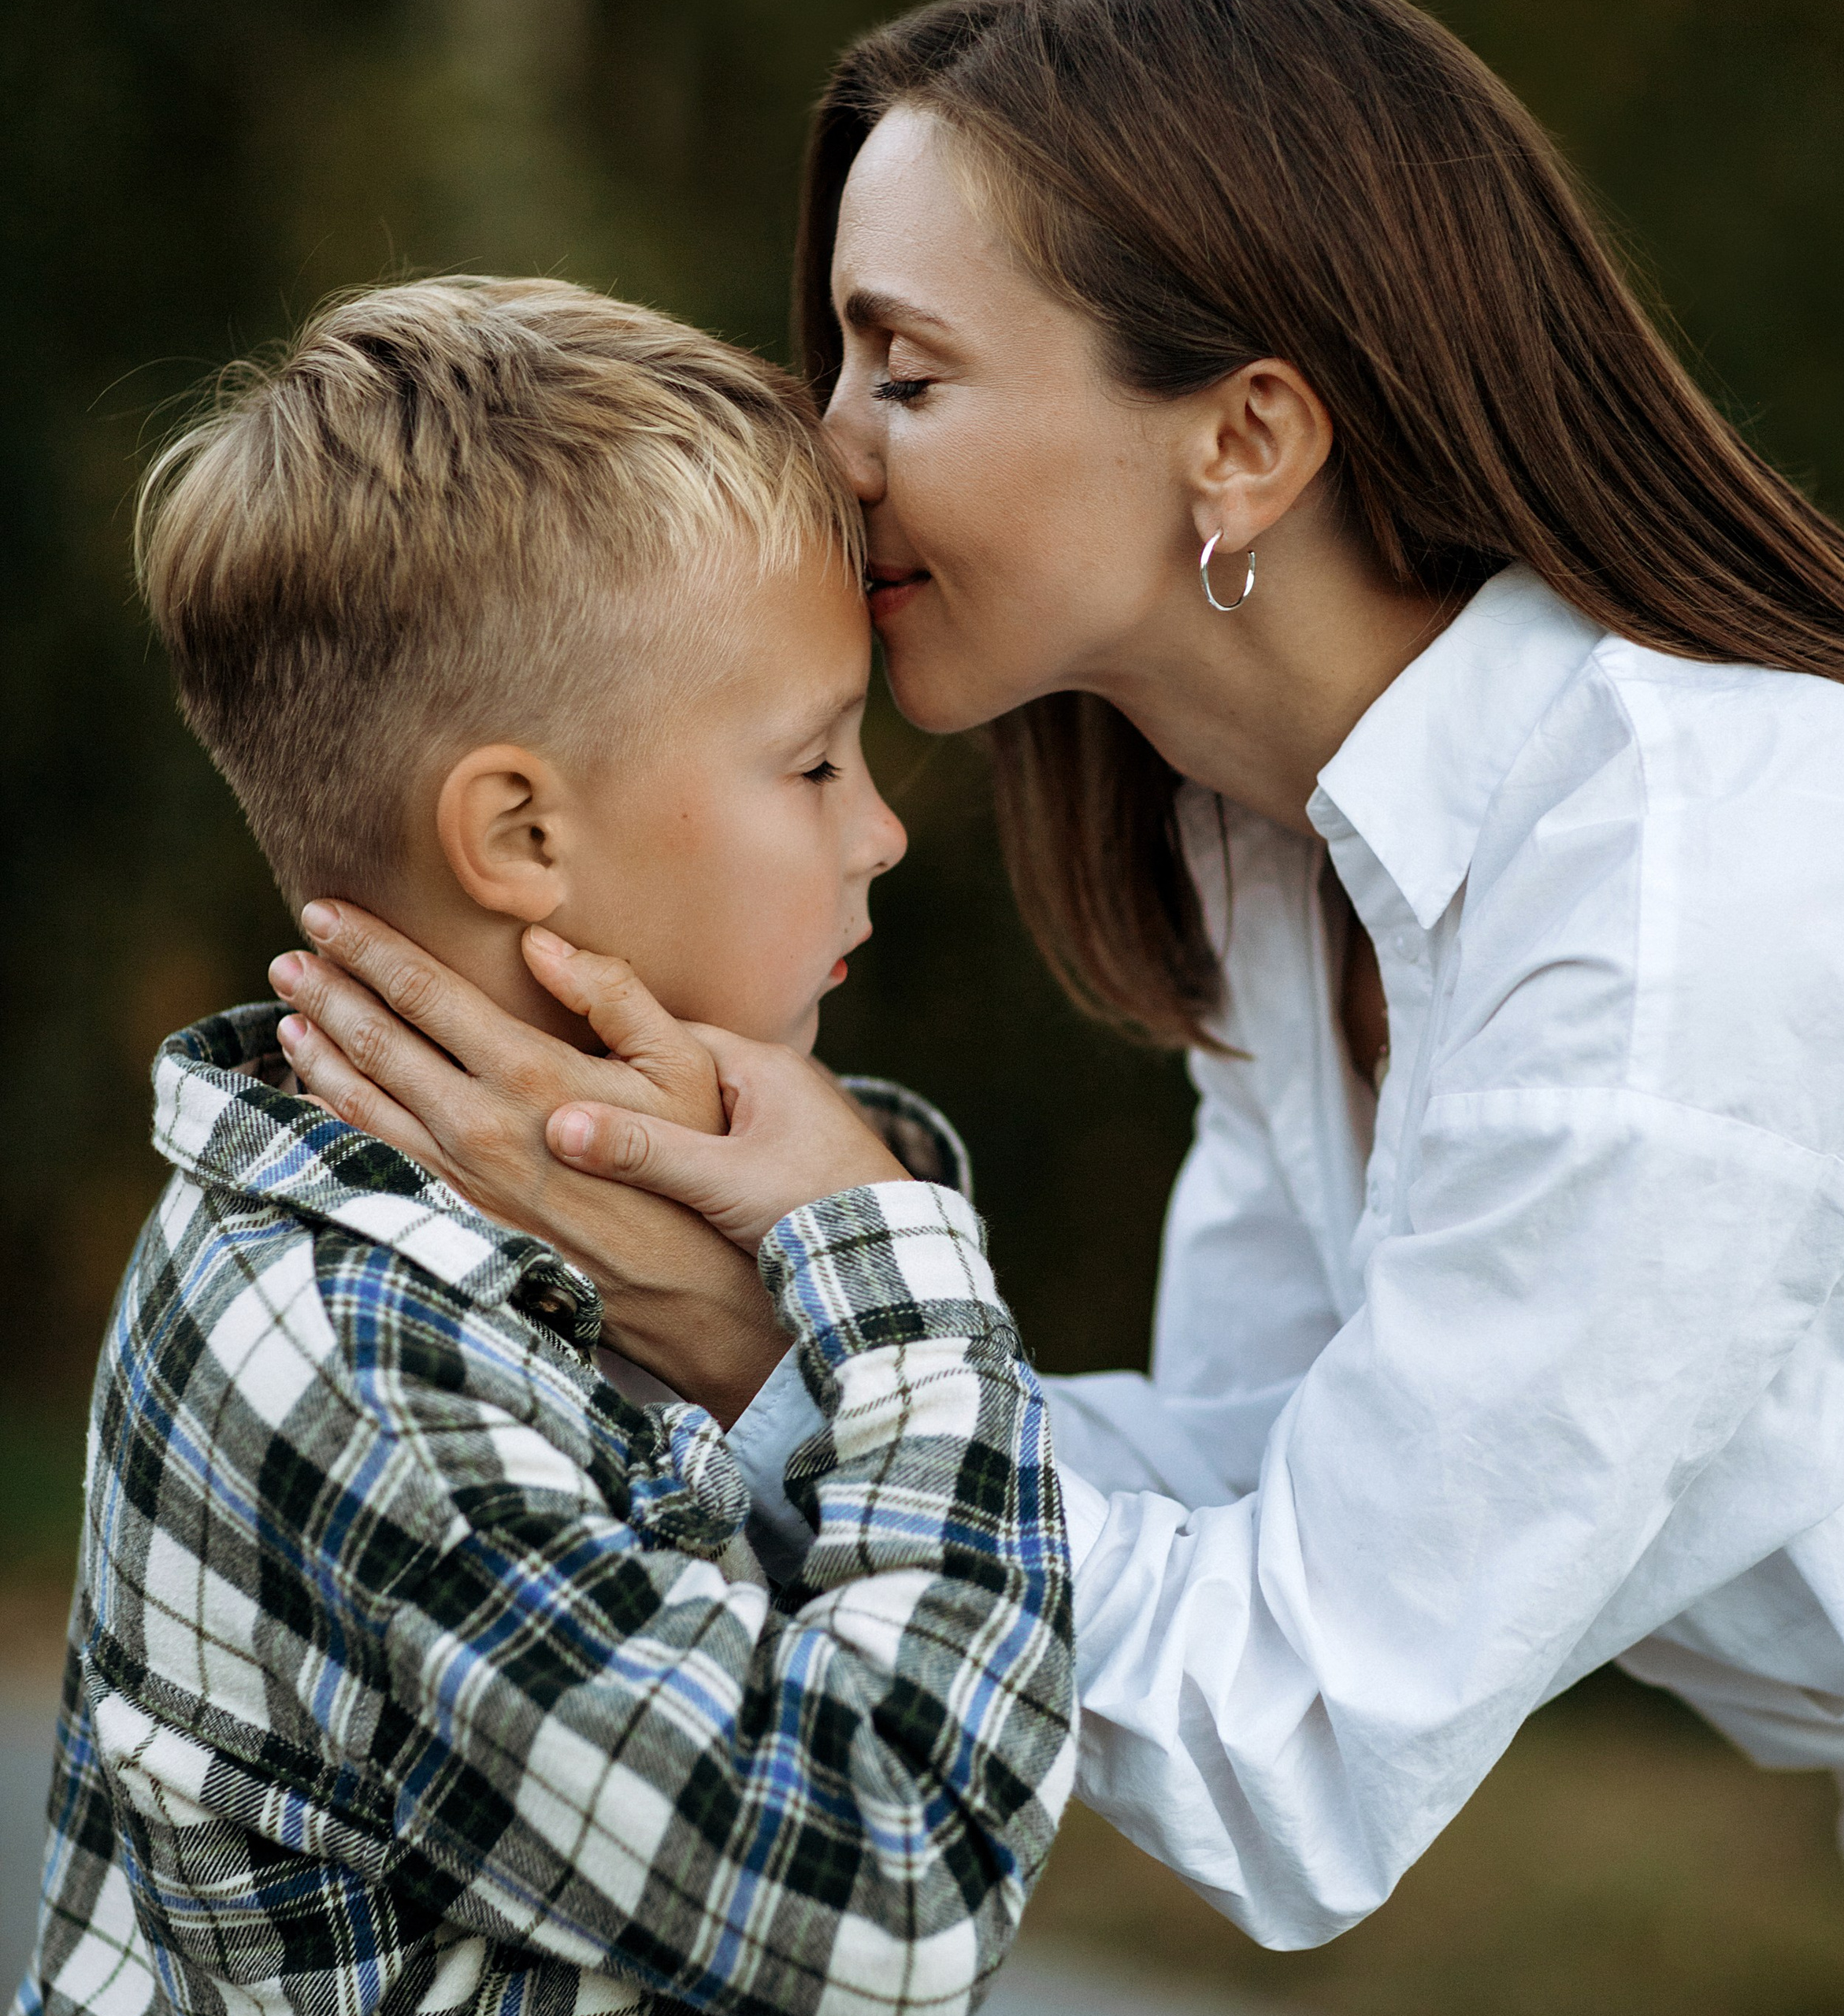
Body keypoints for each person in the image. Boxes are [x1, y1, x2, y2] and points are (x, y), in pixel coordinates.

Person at [262, 2, 1844, 2008]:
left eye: (902, 370)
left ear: (1243, 438)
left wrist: (802, 1313)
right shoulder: (1279, 847)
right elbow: (1247, 1486)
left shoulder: (1677, 914)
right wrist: (707, 1333)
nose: (823, 452)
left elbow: (1292, 1747)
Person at [20, 276, 1074, 2016]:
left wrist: (819, 1226)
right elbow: (890, 1886)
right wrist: (892, 1274)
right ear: (520, 832)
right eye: (811, 761)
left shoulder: (551, 1229)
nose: (881, 829)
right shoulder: (362, 1365)